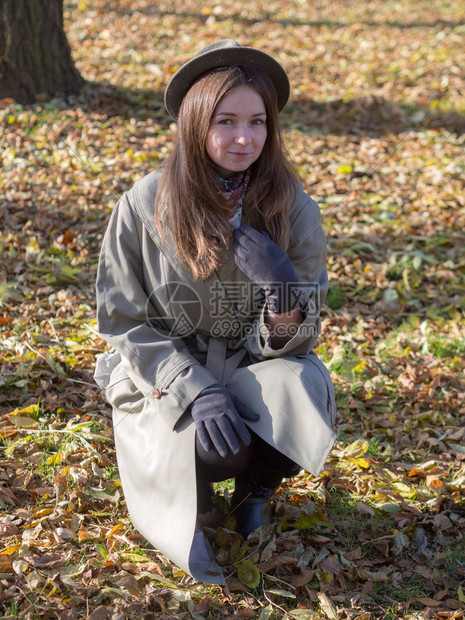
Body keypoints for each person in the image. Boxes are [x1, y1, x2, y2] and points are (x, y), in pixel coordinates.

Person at [94, 39, 336, 586]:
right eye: (226, 121)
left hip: (255, 365)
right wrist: (195, 388)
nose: (244, 138)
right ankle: (199, 493)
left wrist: (282, 290)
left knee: (303, 392)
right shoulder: (143, 203)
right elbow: (122, 319)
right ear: (195, 123)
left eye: (257, 122)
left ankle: (259, 489)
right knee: (214, 446)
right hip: (168, 372)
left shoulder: (293, 207)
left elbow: (305, 336)